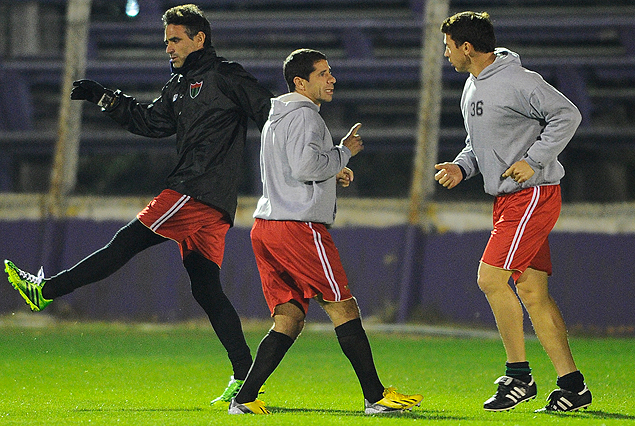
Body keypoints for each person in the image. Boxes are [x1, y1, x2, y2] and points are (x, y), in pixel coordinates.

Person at [4, 4, 273, 406]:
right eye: (166, 41)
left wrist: (309, 159)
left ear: (200, 39)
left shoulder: (225, 75)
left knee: (125, 243)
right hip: (210, 199)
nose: (169, 47)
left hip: (195, 190)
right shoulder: (179, 85)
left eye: (176, 39)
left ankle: (46, 290)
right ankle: (245, 377)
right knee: (206, 289)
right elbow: (151, 122)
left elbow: (270, 111)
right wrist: (105, 98)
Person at [227, 48, 423, 415]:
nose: (331, 79)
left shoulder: (276, 117)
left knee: (289, 318)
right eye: (322, 73)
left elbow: (294, 168)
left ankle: (245, 398)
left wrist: (332, 169)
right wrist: (343, 153)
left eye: (330, 72)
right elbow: (304, 167)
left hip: (267, 226)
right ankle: (375, 397)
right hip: (298, 228)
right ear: (300, 82)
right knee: (342, 305)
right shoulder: (305, 117)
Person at [435, 11, 591, 413]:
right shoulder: (472, 86)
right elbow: (477, 145)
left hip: (532, 195)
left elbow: (567, 114)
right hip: (509, 200)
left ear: (467, 47)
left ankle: (519, 376)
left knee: (490, 280)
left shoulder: (519, 80)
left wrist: (535, 159)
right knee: (532, 292)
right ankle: (573, 386)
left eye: (449, 45)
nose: (446, 53)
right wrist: (461, 166)